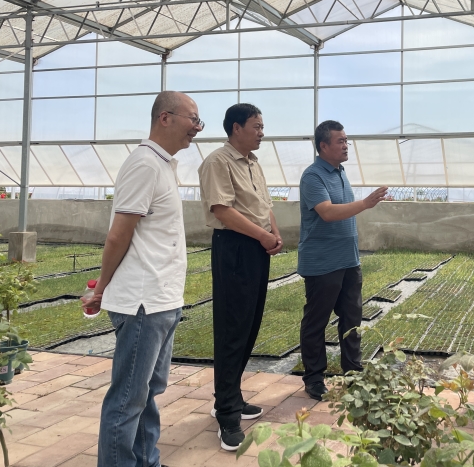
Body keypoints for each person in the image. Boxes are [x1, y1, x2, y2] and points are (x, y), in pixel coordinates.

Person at [84, 91, 203, 467]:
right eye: (193, 119)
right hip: (142, 302)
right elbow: (119, 235)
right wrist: (102, 288)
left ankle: (146, 461)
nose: (197, 128)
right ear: (165, 118)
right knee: (128, 399)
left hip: (161, 300)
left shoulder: (162, 165)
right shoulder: (145, 164)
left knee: (148, 392)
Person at [197, 103, 283, 451]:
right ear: (236, 127)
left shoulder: (253, 163)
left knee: (249, 324)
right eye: (256, 126)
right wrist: (262, 236)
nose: (262, 132)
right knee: (232, 328)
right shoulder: (218, 162)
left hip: (256, 246)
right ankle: (227, 415)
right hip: (234, 246)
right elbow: (222, 210)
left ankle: (230, 396)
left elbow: (265, 206)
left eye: (262, 126)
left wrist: (274, 234)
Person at [298, 120, 387, 400]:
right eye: (341, 141)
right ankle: (314, 378)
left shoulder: (340, 172)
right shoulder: (313, 176)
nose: (346, 145)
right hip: (322, 263)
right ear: (324, 146)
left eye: (347, 140)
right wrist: (365, 203)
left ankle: (353, 373)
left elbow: (342, 210)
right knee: (317, 321)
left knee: (351, 319)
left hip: (349, 261)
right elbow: (327, 212)